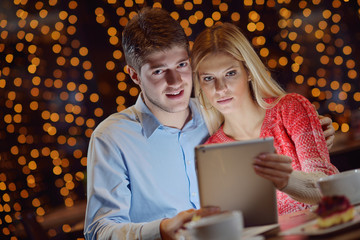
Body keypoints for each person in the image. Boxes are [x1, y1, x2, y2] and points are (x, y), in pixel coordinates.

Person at [84, 7, 335, 240]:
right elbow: (98, 230)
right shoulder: (112, 137)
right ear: (135, 75)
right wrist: (161, 229)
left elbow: (278, 132)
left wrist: (311, 129)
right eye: (159, 71)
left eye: (181, 65)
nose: (175, 82)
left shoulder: (214, 113)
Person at [191, 22, 339, 216]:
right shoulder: (212, 151)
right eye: (208, 78)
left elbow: (328, 188)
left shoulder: (290, 109)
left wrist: (286, 181)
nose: (220, 88)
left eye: (230, 73)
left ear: (249, 72)